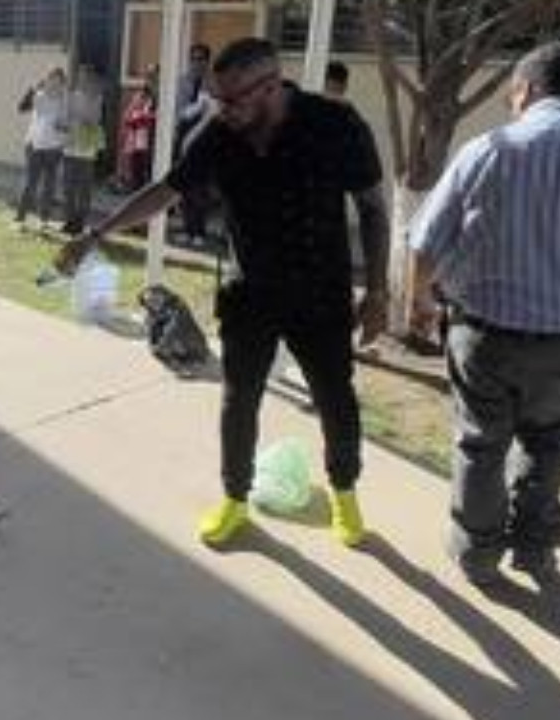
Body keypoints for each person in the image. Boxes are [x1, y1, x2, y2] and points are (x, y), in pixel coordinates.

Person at [56, 38, 390, 549]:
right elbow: (167, 190)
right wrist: (96, 234)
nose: (221, 110)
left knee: (335, 398)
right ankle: (235, 499)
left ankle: (345, 495)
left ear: (271, 87)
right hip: (250, 291)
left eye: (231, 99)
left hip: (320, 294)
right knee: (238, 401)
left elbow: (372, 207)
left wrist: (378, 292)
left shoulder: (335, 124)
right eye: (216, 98)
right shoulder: (219, 134)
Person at [408, 42, 560, 585]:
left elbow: (424, 241)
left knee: (480, 444)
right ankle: (535, 548)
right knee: (549, 439)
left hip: (484, 337)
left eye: (513, 96)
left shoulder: (488, 149)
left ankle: (478, 552)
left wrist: (417, 304)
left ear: (528, 89)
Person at [15, 68, 68, 230]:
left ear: (62, 83)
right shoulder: (39, 96)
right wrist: (31, 90)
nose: (55, 84)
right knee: (30, 183)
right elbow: (21, 108)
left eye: (59, 81)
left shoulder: (64, 101)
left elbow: (66, 125)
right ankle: (20, 218)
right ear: (46, 80)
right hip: (35, 146)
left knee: (49, 186)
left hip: (54, 148)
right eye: (52, 79)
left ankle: (43, 219)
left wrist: (63, 127)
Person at [176, 44, 214, 248]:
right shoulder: (183, 82)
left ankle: (199, 231)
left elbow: (213, 112)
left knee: (200, 188)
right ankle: (186, 228)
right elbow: (180, 111)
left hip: (205, 139)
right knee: (185, 185)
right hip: (184, 135)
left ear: (207, 61)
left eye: (201, 59)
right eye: (193, 58)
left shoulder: (213, 82)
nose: (196, 63)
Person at [60, 65, 105, 236]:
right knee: (68, 188)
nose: (83, 80)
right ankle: (69, 220)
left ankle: (79, 222)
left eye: (86, 77)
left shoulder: (96, 98)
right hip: (70, 148)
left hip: (86, 150)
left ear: (91, 79)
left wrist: (77, 121)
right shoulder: (71, 96)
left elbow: (94, 120)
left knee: (83, 190)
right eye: (80, 77)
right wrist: (72, 122)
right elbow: (65, 119)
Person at [118, 68, 157, 193]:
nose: (151, 81)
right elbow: (128, 114)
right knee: (135, 161)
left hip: (150, 135)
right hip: (137, 134)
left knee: (146, 162)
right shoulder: (140, 95)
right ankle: (134, 186)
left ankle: (143, 186)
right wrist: (133, 118)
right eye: (149, 77)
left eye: (153, 78)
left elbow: (155, 115)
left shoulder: (159, 96)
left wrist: (148, 116)